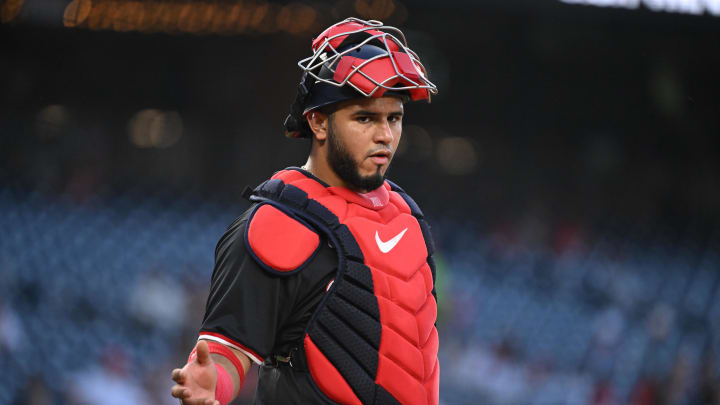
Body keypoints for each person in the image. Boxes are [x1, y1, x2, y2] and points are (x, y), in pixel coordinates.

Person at [171, 17, 440, 405]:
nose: (384, 135)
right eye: (364, 118)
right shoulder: (279, 223)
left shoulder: (408, 217)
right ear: (318, 121)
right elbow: (227, 353)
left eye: (393, 118)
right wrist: (211, 382)